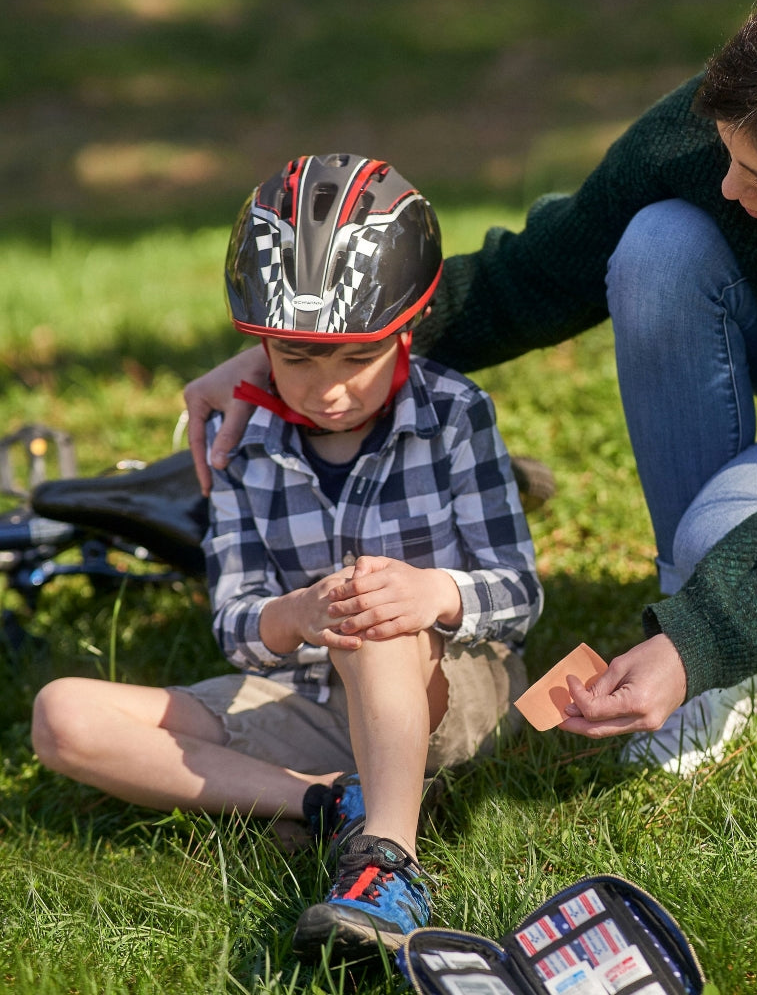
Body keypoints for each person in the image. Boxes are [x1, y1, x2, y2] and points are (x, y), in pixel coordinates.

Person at [183, 0, 757, 775]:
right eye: (730, 156)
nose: (729, 187)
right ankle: (701, 618)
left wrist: (704, 642)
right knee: (659, 245)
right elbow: (541, 273)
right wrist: (323, 343)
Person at [31, 153, 542, 957]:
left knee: (373, 613)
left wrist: (432, 595)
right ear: (259, 342)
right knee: (63, 715)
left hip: (449, 686)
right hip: (300, 697)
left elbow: (518, 592)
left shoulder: (454, 413)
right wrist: (297, 614)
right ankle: (324, 806)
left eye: (354, 358)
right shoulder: (240, 439)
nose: (327, 389)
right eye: (296, 358)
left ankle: (390, 866)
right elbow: (235, 627)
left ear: (409, 324)